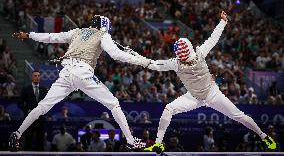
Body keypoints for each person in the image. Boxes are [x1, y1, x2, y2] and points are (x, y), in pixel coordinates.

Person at [141, 11, 277, 153]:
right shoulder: (199, 53)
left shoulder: (176, 63)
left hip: (212, 94)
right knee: (239, 116)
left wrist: (140, 60)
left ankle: (263, 136)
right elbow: (213, 38)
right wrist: (223, 21)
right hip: (194, 97)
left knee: (239, 116)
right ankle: (158, 144)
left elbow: (154, 64)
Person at [9, 15, 150, 151]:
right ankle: (131, 141)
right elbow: (116, 55)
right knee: (113, 104)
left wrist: (29, 34)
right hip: (83, 73)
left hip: (66, 74)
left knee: (42, 107)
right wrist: (141, 61)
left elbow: (52, 37)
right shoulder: (102, 35)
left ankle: (17, 134)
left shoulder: (76, 31)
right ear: (104, 26)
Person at [18, 70, 47, 151]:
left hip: (41, 119)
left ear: (40, 77)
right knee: (28, 141)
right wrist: (27, 110)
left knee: (40, 142)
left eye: (38, 76)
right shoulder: (26, 89)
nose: (37, 77)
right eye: (35, 76)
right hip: (29, 119)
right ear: (32, 77)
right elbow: (19, 103)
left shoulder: (44, 89)